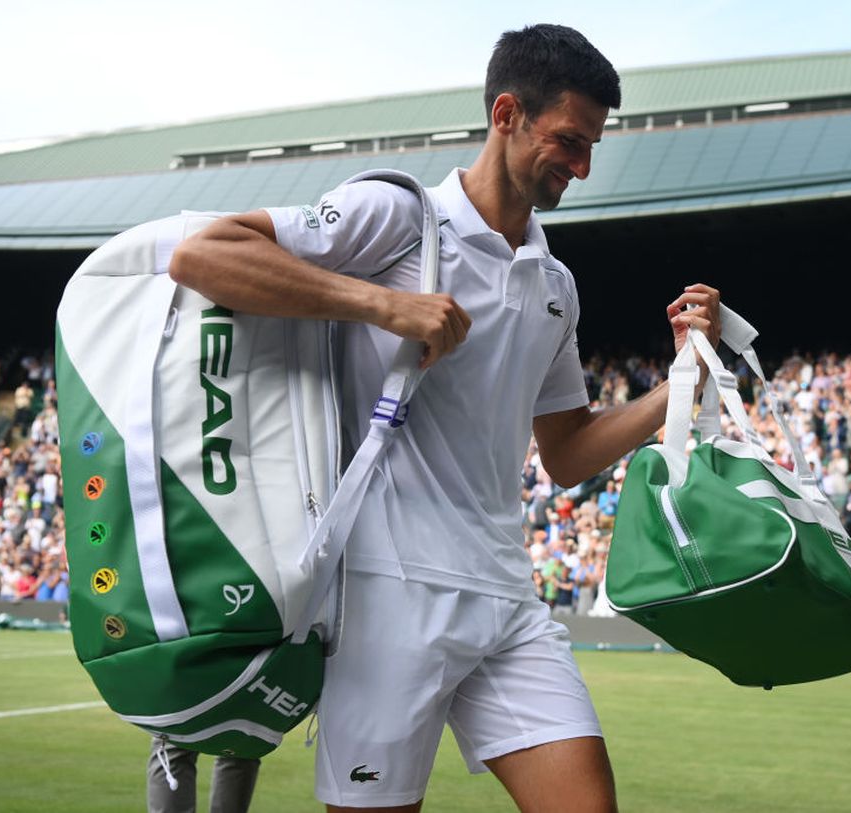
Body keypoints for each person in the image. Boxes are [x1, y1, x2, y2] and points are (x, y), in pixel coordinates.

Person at [170, 23, 719, 812]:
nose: (583, 166)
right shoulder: (396, 215)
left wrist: (679, 383)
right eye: (569, 140)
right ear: (506, 114)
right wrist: (383, 303)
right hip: (388, 594)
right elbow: (201, 255)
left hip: (505, 596)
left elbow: (564, 454)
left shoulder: (555, 281)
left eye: (592, 146)